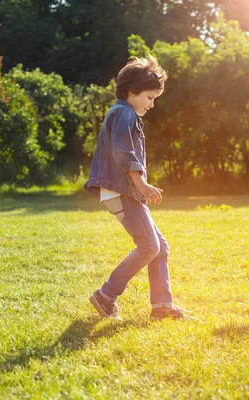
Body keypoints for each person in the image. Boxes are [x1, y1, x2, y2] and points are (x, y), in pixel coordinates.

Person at [84, 55, 193, 321]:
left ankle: (162, 307)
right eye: (149, 97)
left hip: (123, 190)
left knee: (159, 246)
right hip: (122, 190)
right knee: (148, 246)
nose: (152, 104)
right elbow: (123, 150)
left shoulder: (123, 112)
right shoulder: (124, 113)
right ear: (132, 91)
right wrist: (141, 183)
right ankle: (106, 295)